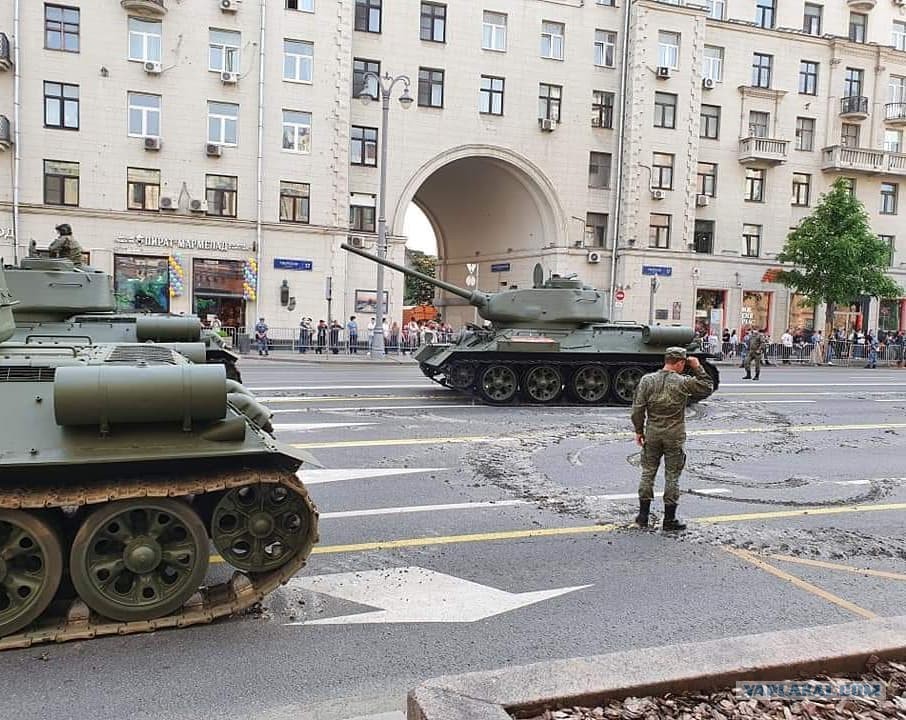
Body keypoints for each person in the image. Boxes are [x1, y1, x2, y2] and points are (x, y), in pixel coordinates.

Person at [631, 347, 713, 531]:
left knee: (647, 473)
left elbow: (637, 409)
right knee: (672, 476)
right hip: (674, 435)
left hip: (652, 433)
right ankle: (669, 519)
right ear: (680, 362)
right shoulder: (683, 382)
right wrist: (698, 367)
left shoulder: (647, 380)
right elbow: (707, 386)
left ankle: (642, 516)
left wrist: (639, 430)